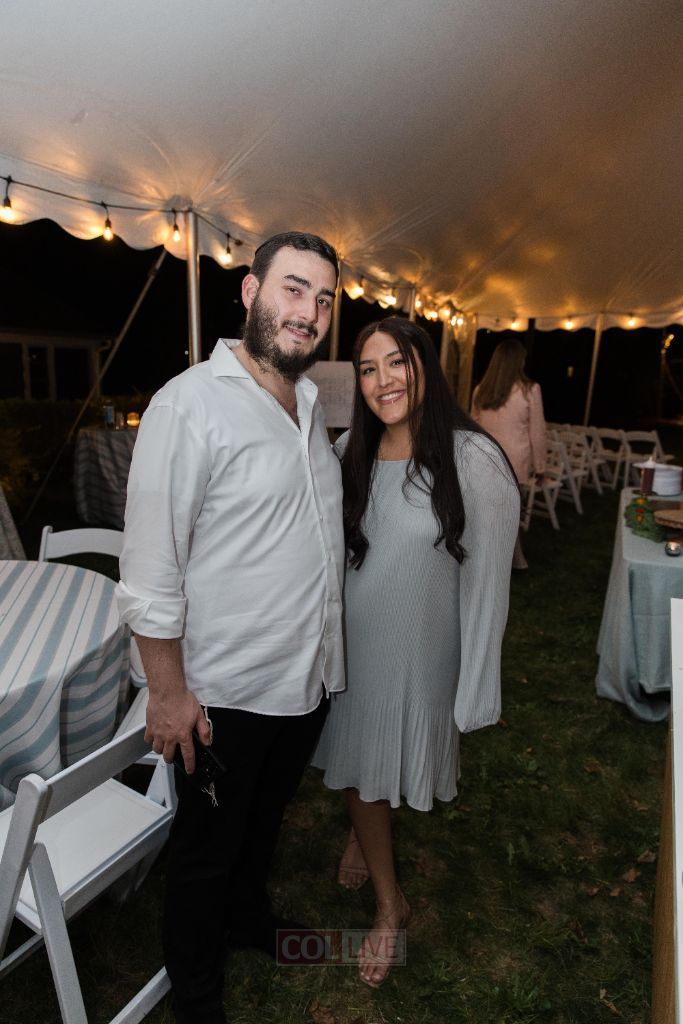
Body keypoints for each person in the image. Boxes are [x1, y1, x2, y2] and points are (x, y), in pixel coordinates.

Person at [115, 231, 345, 1024]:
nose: (307, 312)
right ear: (249, 293)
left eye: (322, 299)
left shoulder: (307, 402)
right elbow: (149, 569)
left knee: (263, 821)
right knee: (204, 854)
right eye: (292, 289)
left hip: (304, 677)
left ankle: (248, 922)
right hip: (224, 694)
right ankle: (196, 997)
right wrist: (167, 694)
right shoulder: (189, 405)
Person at [311, 317, 519, 988]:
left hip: (424, 647)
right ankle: (389, 904)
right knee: (358, 765)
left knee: (386, 759)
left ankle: (364, 833)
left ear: (425, 365)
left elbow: (488, 580)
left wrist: (477, 681)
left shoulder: (472, 458)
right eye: (368, 369)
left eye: (396, 362)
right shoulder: (350, 449)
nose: (383, 381)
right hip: (357, 645)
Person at [470, 338, 546, 570]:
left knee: (491, 513)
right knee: (509, 513)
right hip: (514, 462)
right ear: (518, 361)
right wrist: (541, 467)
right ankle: (512, 561)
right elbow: (537, 432)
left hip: (484, 460)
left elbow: (472, 429)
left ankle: (508, 559)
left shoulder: (481, 391)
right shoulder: (530, 390)